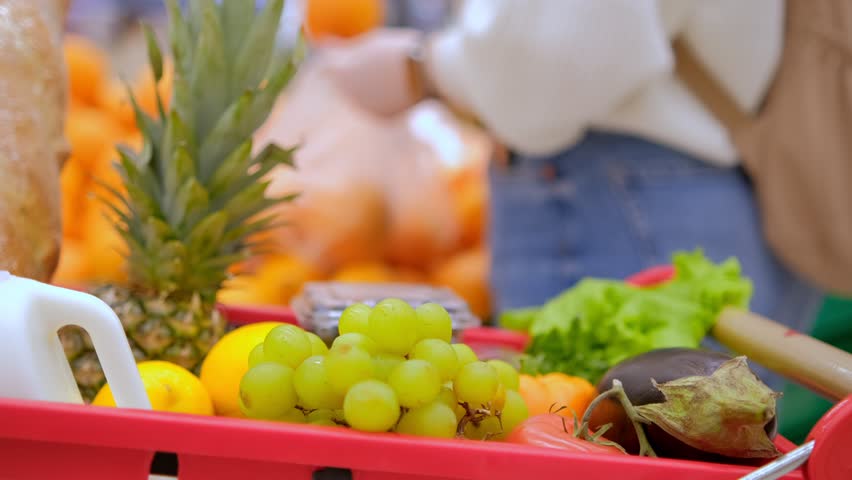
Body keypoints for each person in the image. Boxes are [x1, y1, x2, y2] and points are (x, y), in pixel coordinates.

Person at [312, 0, 823, 390]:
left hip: (617, 195)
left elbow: (559, 49)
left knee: (588, 437)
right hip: (692, 185)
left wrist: (422, 67)